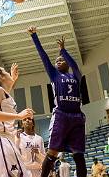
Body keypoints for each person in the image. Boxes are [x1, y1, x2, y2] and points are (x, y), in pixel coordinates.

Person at [28, 26, 87, 177]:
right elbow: (44, 56)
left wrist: (64, 51)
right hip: (61, 115)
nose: (59, 61)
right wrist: (34, 36)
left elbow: (75, 66)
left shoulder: (76, 77)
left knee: (79, 155)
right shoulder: (54, 75)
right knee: (52, 152)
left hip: (76, 116)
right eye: (57, 61)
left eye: (61, 60)